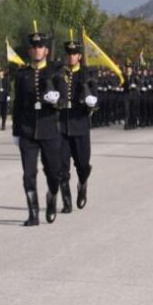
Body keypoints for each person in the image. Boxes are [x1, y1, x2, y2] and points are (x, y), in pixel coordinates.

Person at [11, 32, 67, 226]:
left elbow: (65, 101)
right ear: (29, 50)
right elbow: (17, 105)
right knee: (28, 174)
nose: (37, 50)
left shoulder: (56, 73)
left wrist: (57, 101)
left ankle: (52, 197)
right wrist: (16, 131)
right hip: (27, 131)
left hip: (49, 129)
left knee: (54, 172)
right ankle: (33, 214)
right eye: (34, 47)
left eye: (40, 47)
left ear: (46, 50)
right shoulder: (22, 74)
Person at [58, 39, 98, 211]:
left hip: (80, 125)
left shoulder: (87, 74)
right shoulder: (58, 74)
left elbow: (95, 100)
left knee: (83, 165)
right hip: (61, 127)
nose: (71, 57)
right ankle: (66, 201)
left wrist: (91, 102)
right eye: (68, 54)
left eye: (74, 54)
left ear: (79, 56)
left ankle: (82, 184)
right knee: (61, 167)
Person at [0, 67, 11, 131]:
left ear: (3, 72)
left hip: (4, 98)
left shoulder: (6, 80)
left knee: (4, 112)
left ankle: (3, 125)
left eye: (0, 71)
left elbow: (9, 88)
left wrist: (8, 96)